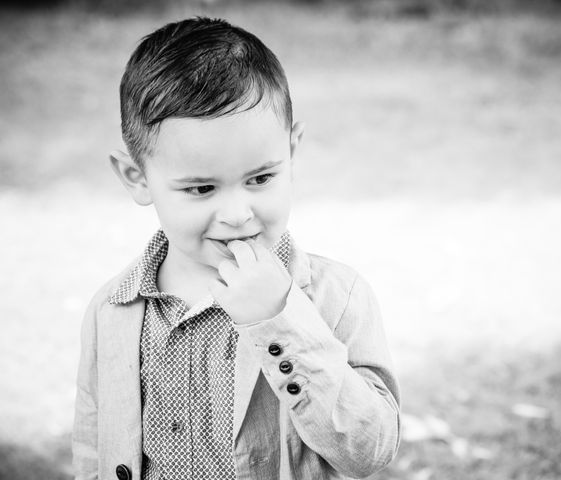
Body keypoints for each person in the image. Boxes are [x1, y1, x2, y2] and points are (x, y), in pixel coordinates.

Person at [72, 16, 400, 480]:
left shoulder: (335, 297)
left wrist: (281, 320)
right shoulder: (112, 311)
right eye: (202, 188)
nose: (238, 213)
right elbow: (93, 448)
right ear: (137, 178)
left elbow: (370, 450)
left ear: (292, 150)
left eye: (261, 179)